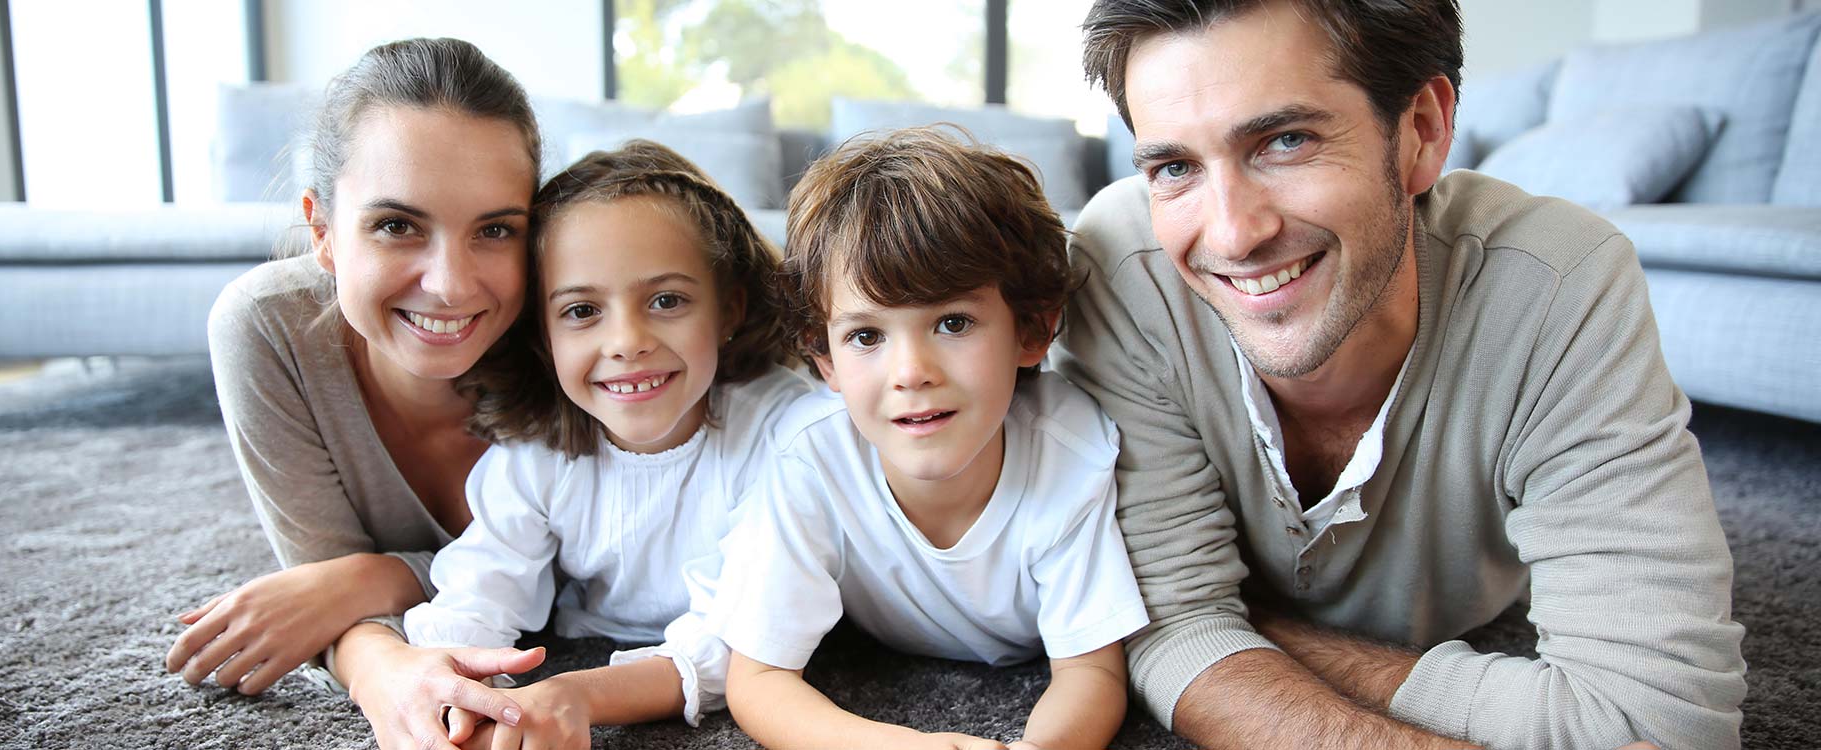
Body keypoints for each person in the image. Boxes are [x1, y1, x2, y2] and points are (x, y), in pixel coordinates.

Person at [1053, 1, 1747, 748]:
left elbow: (1661, 725)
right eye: (1175, 167)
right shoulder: (1121, 266)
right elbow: (1174, 627)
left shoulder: (1559, 284)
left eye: (1286, 141)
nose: (1231, 233)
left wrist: (1247, 632)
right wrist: (1193, 625)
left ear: (1421, 130)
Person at [172, 38, 558, 750]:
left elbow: (599, 570)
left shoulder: (576, 331)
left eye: (495, 229)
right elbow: (318, 585)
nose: (450, 283)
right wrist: (381, 671)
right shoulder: (268, 328)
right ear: (322, 231)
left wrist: (366, 578)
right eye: (396, 226)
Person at [712, 127, 1150, 750]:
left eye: (952, 322)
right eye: (867, 336)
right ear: (824, 359)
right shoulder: (808, 456)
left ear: (1032, 330)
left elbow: (1090, 670)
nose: (911, 371)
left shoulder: (1071, 449)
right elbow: (757, 677)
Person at [400, 140, 808, 749]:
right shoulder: (535, 454)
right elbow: (484, 584)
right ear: (542, 333)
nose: (627, 341)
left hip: (707, 651)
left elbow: (747, 640)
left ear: (728, 310)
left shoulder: (782, 434)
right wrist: (457, 686)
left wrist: (580, 694)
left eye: (666, 301)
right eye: (583, 310)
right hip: (588, 633)